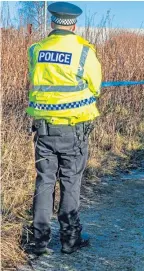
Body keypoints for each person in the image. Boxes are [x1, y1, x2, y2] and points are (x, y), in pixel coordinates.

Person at [26, 1, 102, 255]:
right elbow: (95, 87)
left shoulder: (36, 50)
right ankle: (69, 241)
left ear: (52, 23)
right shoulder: (84, 52)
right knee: (71, 183)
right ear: (74, 24)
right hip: (74, 131)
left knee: (44, 182)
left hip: (44, 130)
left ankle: (39, 242)